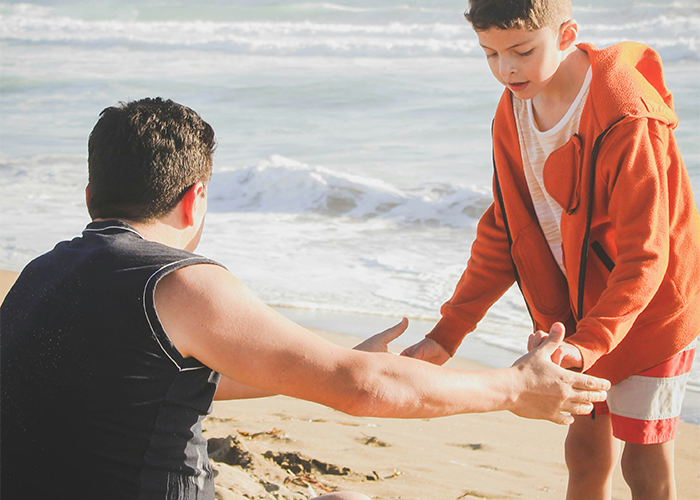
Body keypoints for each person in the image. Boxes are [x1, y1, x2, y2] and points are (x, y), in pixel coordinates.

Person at [0, 97, 609, 500]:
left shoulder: (39, 274)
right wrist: (513, 389)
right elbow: (361, 388)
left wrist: (335, 358)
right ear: (194, 199)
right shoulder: (179, 282)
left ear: (89, 196)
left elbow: (164, 379)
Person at [401, 1, 700, 499]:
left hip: (650, 312)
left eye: (521, 50)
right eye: (489, 54)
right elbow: (505, 229)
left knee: (644, 464)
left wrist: (588, 344)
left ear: (566, 35)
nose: (506, 68)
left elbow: (647, 257)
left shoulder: (626, 114)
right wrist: (447, 334)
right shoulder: (516, 104)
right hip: (575, 317)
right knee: (582, 452)